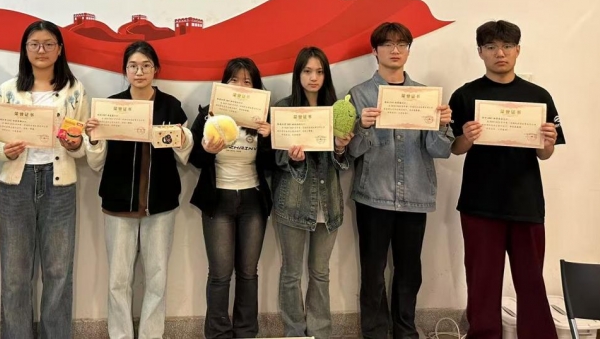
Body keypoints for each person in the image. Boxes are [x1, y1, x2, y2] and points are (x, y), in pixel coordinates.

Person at [449, 20, 564, 339]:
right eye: (491, 47)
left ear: (518, 50)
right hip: (479, 202)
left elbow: (545, 154)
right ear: (480, 52)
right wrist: (467, 137)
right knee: (482, 281)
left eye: (507, 46)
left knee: (531, 280)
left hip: (526, 201)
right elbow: (454, 148)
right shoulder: (465, 95)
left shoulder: (538, 96)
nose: (500, 53)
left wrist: (547, 141)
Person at [347, 22, 454, 339]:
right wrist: (363, 127)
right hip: (373, 195)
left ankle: (406, 331)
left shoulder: (425, 96)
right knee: (373, 272)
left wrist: (441, 124)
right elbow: (350, 151)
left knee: (409, 272)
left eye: (402, 44)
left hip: (415, 196)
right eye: (388, 44)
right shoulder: (359, 94)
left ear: (408, 50)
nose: (395, 50)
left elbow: (440, 151)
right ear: (375, 50)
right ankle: (375, 333)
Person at [85, 41, 194, 339]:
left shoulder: (171, 105)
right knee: (118, 280)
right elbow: (96, 162)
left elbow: (184, 155)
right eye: (133, 66)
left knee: (157, 279)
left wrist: (182, 136)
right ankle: (120, 335)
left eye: (146, 65)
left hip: (161, 202)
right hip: (118, 202)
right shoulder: (111, 106)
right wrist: (93, 138)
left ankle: (151, 335)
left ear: (156, 69)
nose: (140, 71)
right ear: (125, 71)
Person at [0, 20, 88, 339]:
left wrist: (75, 144)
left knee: (58, 272)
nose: (41, 50)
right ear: (25, 49)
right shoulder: (7, 90)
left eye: (48, 44)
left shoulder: (75, 90)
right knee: (15, 275)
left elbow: (84, 139)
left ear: (60, 50)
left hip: (59, 186)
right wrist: (4, 150)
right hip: (15, 186)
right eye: (34, 44)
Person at [188, 57, 274, 339]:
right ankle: (218, 333)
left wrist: (268, 138)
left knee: (248, 272)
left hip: (253, 200)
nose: (240, 86)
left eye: (247, 81)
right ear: (224, 84)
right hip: (218, 200)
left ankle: (246, 332)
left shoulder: (263, 119)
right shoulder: (208, 115)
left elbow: (272, 166)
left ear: (256, 87)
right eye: (234, 80)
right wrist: (207, 150)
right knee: (220, 274)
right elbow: (194, 159)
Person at [271, 46, 353, 339]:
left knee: (320, 273)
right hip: (292, 202)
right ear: (298, 74)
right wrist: (293, 158)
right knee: (291, 273)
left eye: (319, 72)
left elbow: (344, 161)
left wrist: (341, 147)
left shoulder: (337, 109)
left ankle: (320, 332)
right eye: (307, 71)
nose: (313, 77)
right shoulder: (284, 108)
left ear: (326, 75)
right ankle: (294, 332)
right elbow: (276, 158)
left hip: (328, 204)